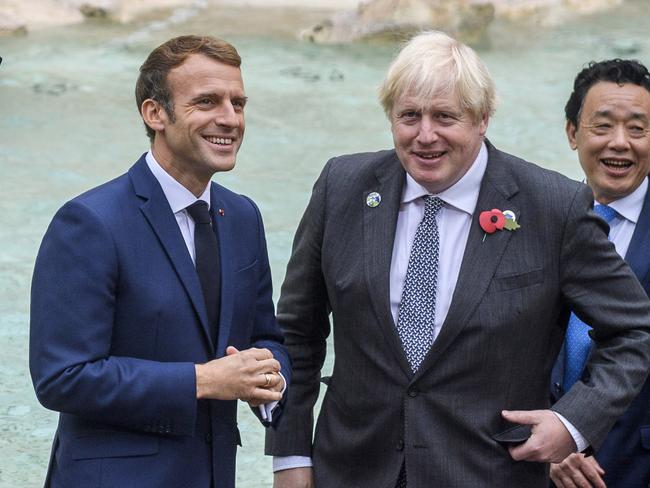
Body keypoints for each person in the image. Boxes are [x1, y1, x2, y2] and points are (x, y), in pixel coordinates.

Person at [265, 31, 650, 487]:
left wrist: (571, 423)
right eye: (409, 116)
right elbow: (297, 333)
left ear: (482, 118)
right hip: (349, 469)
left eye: (444, 116)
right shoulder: (341, 186)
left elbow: (634, 331)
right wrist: (289, 456)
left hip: (489, 473)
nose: (425, 135)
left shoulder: (553, 206)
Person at [29, 35, 290, 488]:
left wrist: (271, 381)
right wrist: (202, 380)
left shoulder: (243, 216)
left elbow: (266, 337)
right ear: (155, 114)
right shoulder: (88, 222)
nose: (229, 119)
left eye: (238, 102)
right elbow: (62, 377)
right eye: (207, 102)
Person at [549, 59, 650, 488]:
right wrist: (549, 444)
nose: (620, 143)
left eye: (638, 129)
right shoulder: (541, 216)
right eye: (602, 126)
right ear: (573, 133)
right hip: (538, 465)